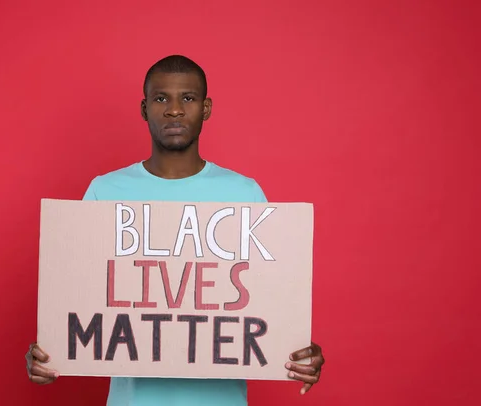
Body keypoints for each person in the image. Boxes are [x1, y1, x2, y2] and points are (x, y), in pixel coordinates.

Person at [25, 55, 325, 405]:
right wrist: (49, 352)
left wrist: (300, 350)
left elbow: (268, 304)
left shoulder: (245, 195)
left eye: (188, 98)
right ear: (144, 107)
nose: (174, 110)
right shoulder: (104, 192)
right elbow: (79, 300)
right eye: (161, 98)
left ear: (206, 107)